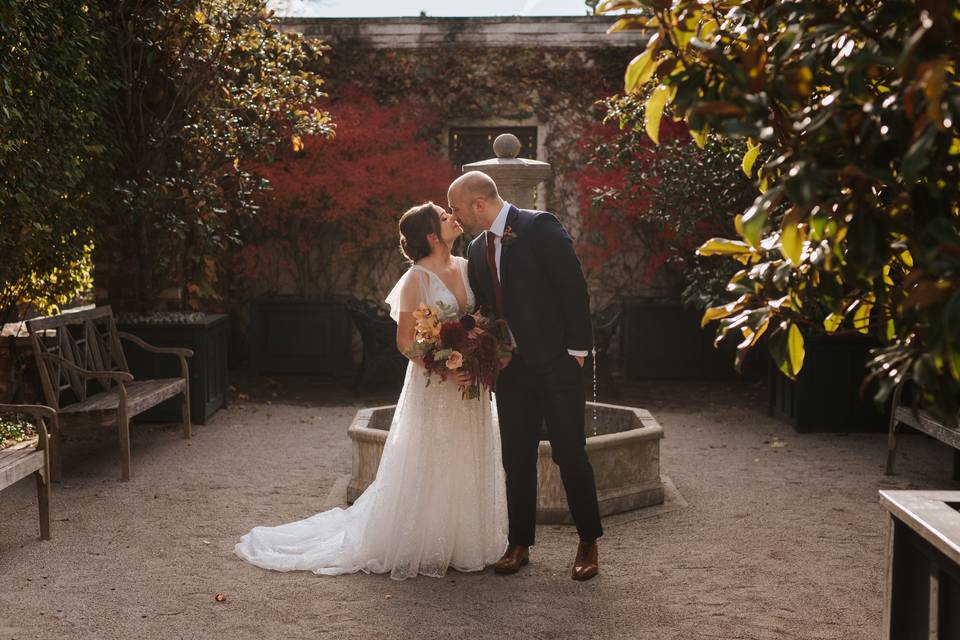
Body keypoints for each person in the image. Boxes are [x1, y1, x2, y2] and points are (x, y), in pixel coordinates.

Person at [235, 202, 507, 580]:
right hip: (436, 385)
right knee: (434, 455)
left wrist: (477, 354)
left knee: (467, 451)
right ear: (431, 235)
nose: (452, 217)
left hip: (470, 384)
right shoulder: (417, 280)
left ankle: (463, 540)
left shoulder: (465, 267)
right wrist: (445, 369)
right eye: (444, 217)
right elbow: (406, 343)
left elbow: (478, 320)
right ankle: (426, 542)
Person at [448, 172, 603, 581]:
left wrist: (577, 354)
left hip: (558, 364)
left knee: (570, 453)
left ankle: (588, 542)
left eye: (457, 208)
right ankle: (519, 543)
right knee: (515, 458)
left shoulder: (540, 226)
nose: (454, 216)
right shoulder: (477, 248)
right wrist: (475, 350)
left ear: (478, 204)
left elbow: (574, 289)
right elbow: (487, 308)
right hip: (510, 372)